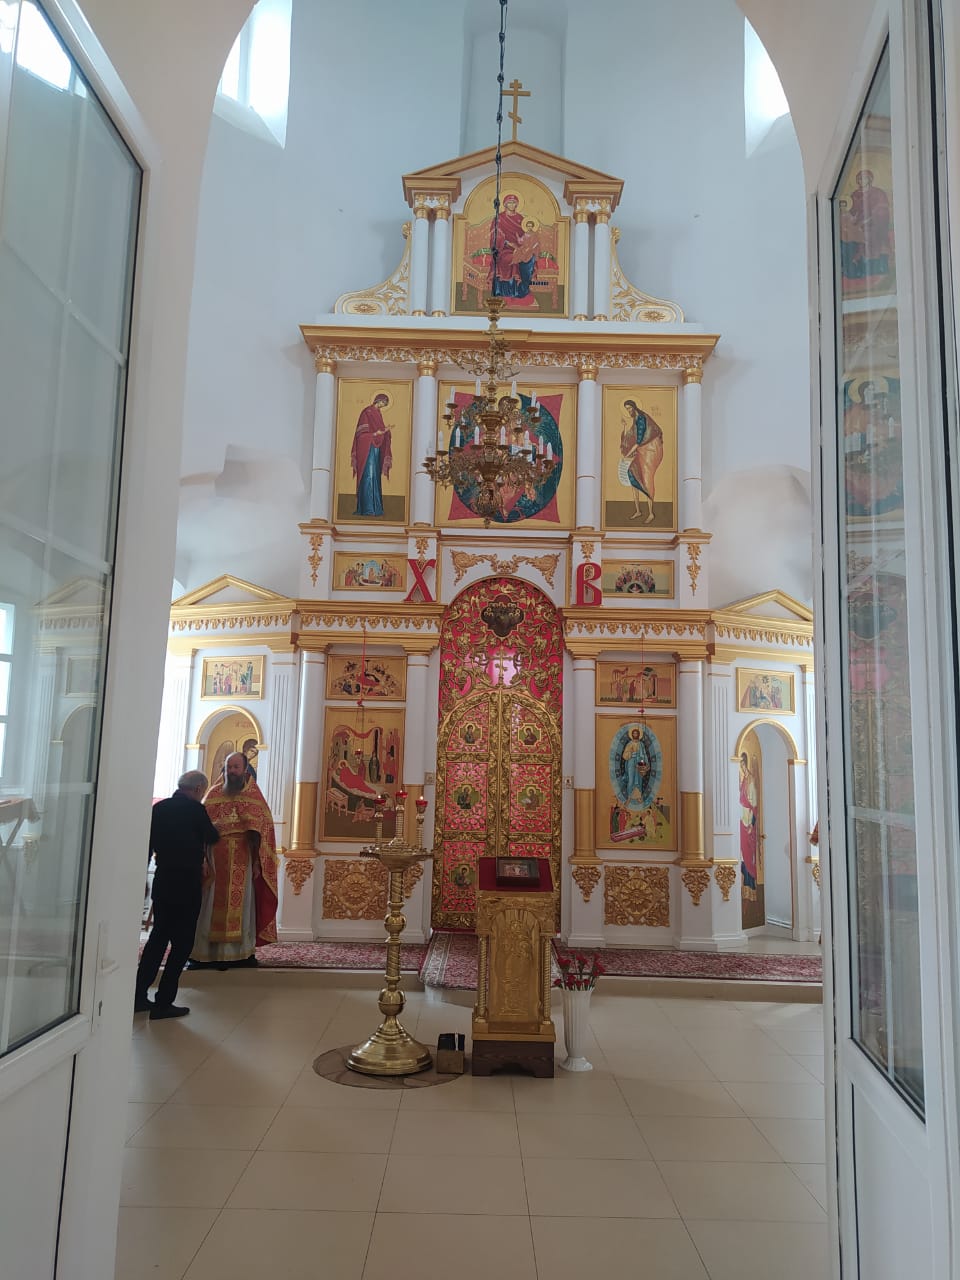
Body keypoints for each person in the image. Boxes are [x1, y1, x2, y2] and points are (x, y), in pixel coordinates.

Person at [135, 771, 219, 1020]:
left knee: (157, 939)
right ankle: (163, 1002)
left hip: (163, 880)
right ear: (199, 789)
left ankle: (138, 996)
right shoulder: (196, 810)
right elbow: (212, 837)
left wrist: (142, 878)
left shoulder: (159, 809)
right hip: (187, 883)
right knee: (182, 944)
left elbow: (146, 846)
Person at [189, 752, 279, 968]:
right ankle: (206, 954)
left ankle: (240, 954)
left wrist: (257, 862)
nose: (231, 771)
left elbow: (262, 831)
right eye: (229, 767)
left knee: (243, 905)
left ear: (245, 769)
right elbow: (201, 827)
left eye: (236, 767)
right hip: (215, 857)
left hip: (242, 857)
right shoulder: (214, 793)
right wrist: (203, 857)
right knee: (210, 904)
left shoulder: (254, 795)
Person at [618, 399, 664, 523]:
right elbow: (631, 436)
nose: (628, 411)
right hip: (641, 451)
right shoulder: (636, 419)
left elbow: (638, 442)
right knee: (632, 473)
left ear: (634, 407)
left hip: (649, 451)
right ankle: (638, 511)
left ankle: (651, 513)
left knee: (647, 480)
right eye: (627, 409)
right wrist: (624, 427)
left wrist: (627, 455)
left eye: (629, 408)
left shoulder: (641, 419)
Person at [351, 393, 393, 517]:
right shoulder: (367, 412)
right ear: (377, 400)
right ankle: (367, 509)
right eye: (383, 403)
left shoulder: (378, 414)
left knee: (375, 476)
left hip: (376, 450)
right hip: (367, 449)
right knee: (368, 475)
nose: (382, 405)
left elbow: (380, 432)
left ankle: (376, 509)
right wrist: (375, 434)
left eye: (385, 404)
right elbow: (361, 434)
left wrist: (386, 432)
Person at [489, 193, 537, 299]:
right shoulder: (499, 218)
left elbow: (525, 236)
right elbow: (495, 236)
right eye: (509, 202)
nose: (512, 205)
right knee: (510, 258)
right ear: (505, 204)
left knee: (530, 258)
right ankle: (507, 291)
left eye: (514, 203)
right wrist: (506, 243)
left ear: (517, 204)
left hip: (520, 247)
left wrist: (524, 247)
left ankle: (523, 289)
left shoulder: (521, 219)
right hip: (503, 249)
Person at [739, 751, 760, 901]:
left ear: (745, 763)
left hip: (747, 823)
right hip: (741, 820)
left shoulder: (751, 780)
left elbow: (754, 804)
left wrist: (752, 824)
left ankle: (750, 886)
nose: (741, 766)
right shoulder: (744, 780)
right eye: (739, 763)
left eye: (742, 763)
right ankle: (745, 887)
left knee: (747, 855)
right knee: (742, 854)